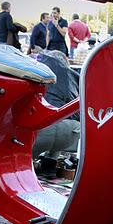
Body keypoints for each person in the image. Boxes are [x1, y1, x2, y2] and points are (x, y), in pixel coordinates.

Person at [32, 50, 80, 178]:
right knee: (61, 121)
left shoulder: (35, 71)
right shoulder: (71, 77)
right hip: (71, 131)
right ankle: (50, 164)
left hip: (40, 130)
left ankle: (27, 166)